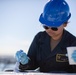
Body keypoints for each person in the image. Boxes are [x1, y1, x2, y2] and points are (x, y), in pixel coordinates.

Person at [15, 0, 76, 73]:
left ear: (65, 24)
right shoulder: (39, 38)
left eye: (54, 27)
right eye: (46, 27)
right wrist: (25, 62)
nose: (49, 30)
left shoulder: (72, 42)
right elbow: (32, 64)